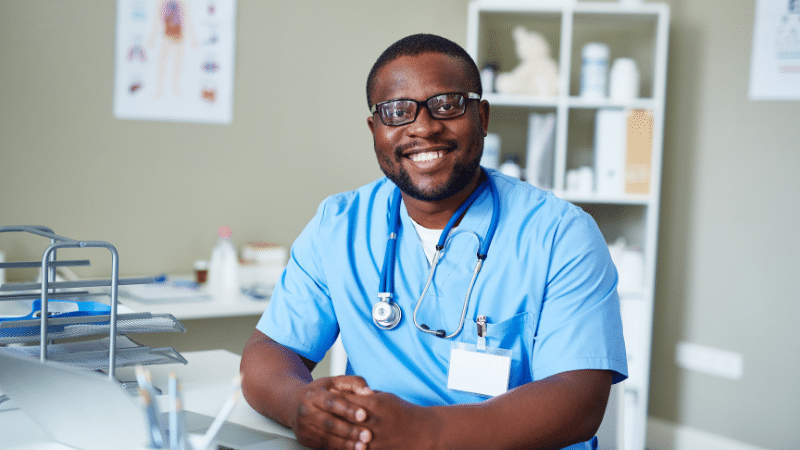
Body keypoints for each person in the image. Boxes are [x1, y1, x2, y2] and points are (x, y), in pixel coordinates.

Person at [240, 33, 627, 450]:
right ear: (375, 129)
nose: (423, 127)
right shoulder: (339, 225)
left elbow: (580, 399)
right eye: (396, 112)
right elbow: (271, 350)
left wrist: (426, 433)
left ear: (482, 116)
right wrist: (299, 403)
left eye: (447, 104)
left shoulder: (561, 234)